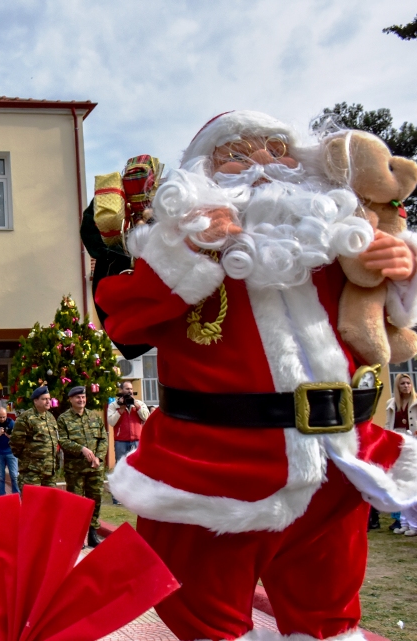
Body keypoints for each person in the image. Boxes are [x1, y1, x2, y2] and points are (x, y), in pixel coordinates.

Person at [98, 110, 417, 641]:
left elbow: (391, 324)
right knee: (205, 614)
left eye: (277, 149)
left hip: (337, 465)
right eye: (239, 155)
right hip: (217, 474)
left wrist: (401, 270)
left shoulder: (335, 242)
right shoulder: (179, 251)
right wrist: (192, 250)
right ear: (202, 175)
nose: (264, 166)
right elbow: (125, 322)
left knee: (329, 616)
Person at [56, 386, 107, 547]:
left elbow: (103, 438)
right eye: (78, 397)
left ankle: (92, 535)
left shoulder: (94, 416)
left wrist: (98, 457)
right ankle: (78, 538)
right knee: (76, 504)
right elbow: (62, 441)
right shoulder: (63, 419)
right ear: (70, 399)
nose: (81, 400)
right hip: (75, 469)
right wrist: (82, 449)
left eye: (83, 397)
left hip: (95, 468)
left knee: (95, 500)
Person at [9, 386, 60, 491]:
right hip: (32, 473)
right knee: (33, 505)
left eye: (49, 399)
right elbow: (16, 444)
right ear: (36, 401)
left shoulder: (50, 417)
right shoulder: (25, 418)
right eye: (44, 399)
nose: (48, 402)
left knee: (50, 505)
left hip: (50, 473)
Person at [386, 374, 417, 536]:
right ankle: (405, 522)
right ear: (397, 386)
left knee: (414, 484)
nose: (406, 386)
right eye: (403, 383)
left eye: (408, 383)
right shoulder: (391, 404)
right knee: (401, 484)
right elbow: (387, 426)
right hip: (398, 444)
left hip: (414, 443)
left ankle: (414, 524)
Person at [106, 381, 148, 464]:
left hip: (137, 441)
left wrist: (136, 405)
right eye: (127, 389)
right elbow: (111, 422)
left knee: (138, 465)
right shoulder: (114, 405)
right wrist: (120, 410)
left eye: (131, 389)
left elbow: (146, 417)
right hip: (121, 442)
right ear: (121, 390)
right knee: (121, 466)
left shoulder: (139, 403)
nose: (130, 391)